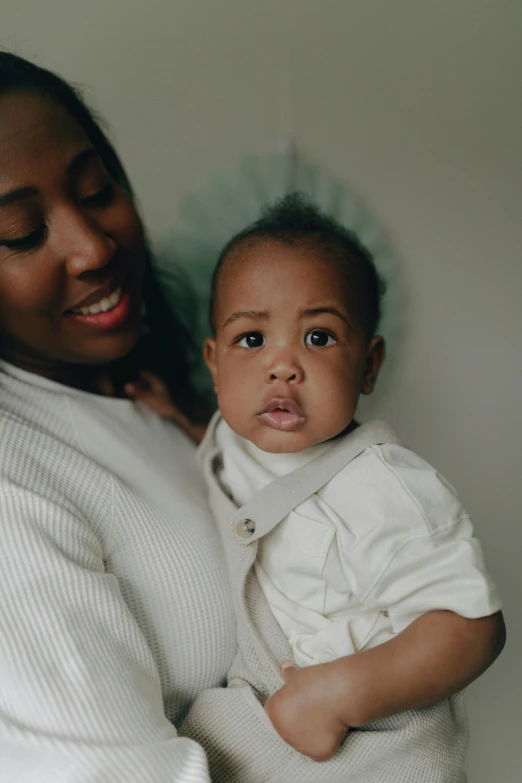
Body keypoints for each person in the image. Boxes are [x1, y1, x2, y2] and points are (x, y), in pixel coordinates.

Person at [173, 194, 506, 782]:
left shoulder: (385, 487)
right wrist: (167, 413)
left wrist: (339, 694)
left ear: (369, 365)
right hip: (268, 718)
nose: (282, 366)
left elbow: (471, 626)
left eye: (319, 338)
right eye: (252, 340)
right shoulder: (228, 435)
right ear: (216, 364)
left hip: (375, 748)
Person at [0, 52, 236, 782]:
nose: (94, 247)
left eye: (97, 190)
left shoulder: (154, 387)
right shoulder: (12, 481)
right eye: (20, 233)